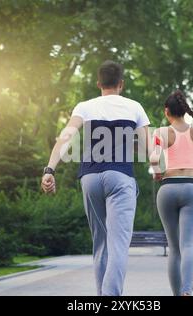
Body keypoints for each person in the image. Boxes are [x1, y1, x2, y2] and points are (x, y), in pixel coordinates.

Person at [41, 60, 151, 296]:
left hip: (89, 178)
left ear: (98, 83)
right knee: (118, 245)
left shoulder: (85, 106)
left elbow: (66, 137)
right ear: (121, 84)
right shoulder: (134, 107)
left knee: (100, 243)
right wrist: (161, 169)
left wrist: (50, 169)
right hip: (120, 178)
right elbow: (148, 149)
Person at [150, 90, 193, 296]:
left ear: (166, 111)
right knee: (188, 245)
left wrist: (158, 172)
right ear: (185, 111)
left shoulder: (161, 132)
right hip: (192, 187)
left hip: (167, 188)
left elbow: (154, 159)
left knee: (174, 249)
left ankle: (177, 295)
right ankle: (187, 291)